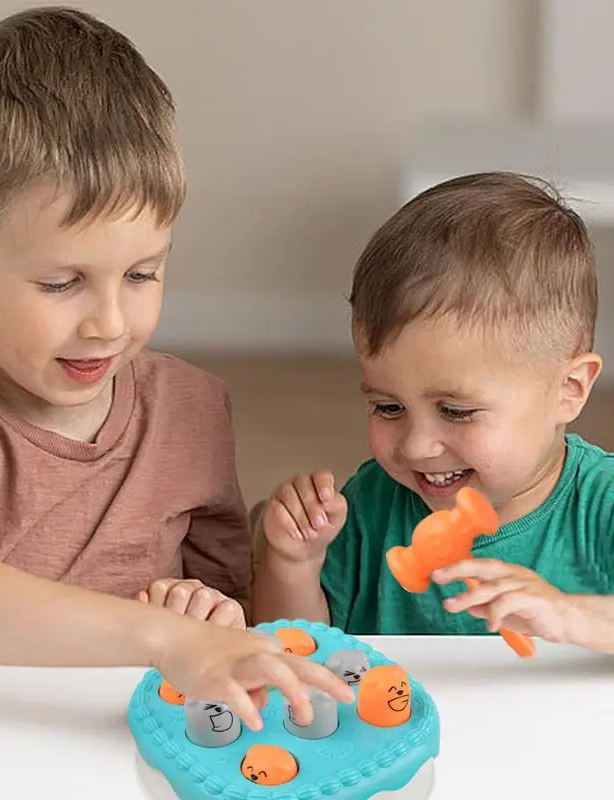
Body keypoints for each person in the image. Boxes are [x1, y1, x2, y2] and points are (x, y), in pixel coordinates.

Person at [0, 6, 355, 726]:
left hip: (119, 739)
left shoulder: (191, 408)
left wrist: (208, 611)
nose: (110, 324)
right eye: (61, 283)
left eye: (143, 274)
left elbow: (228, 617)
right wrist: (160, 634)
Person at [252, 171, 614, 654]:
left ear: (569, 390)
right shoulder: (370, 505)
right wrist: (293, 564)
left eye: (457, 411)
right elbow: (293, 651)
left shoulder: (601, 505)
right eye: (388, 406)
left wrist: (570, 615)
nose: (416, 446)